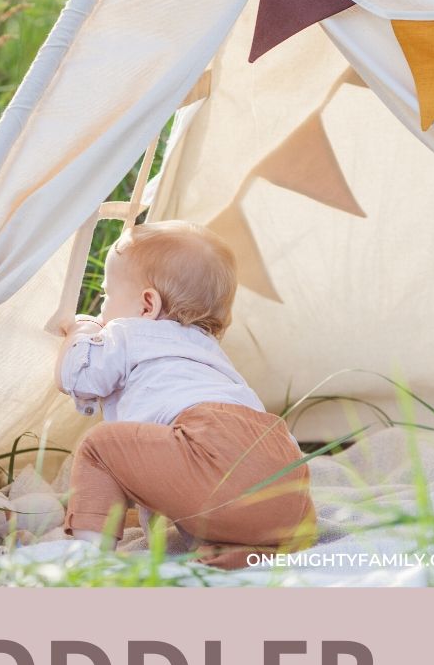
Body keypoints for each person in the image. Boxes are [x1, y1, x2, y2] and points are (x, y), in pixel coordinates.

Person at [54, 220, 316, 569]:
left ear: (147, 305)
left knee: (100, 447)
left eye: (106, 296)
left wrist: (82, 329)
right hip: (284, 473)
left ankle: (89, 558)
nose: (104, 309)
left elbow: (79, 376)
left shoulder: (131, 332)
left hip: (212, 448)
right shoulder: (208, 351)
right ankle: (252, 549)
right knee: (220, 497)